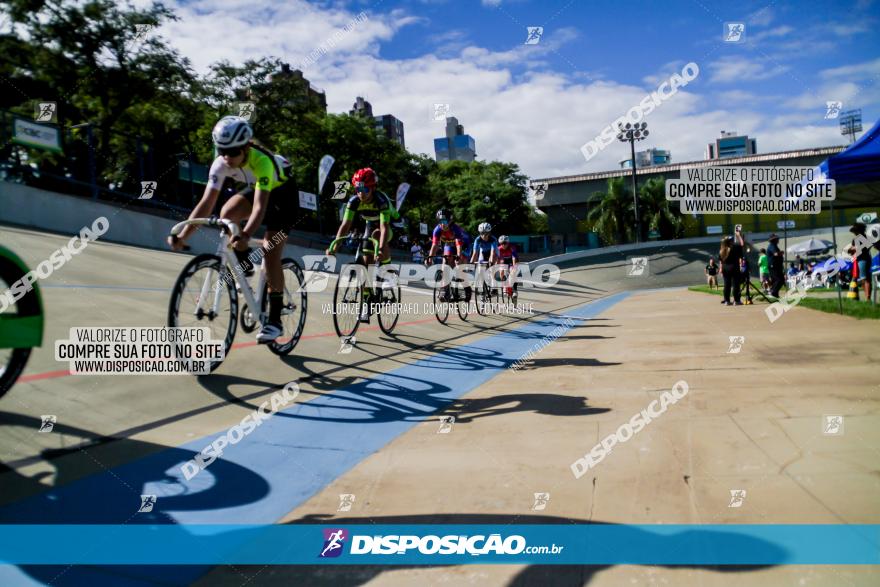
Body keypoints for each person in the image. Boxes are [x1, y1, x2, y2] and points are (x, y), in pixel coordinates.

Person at [168, 115, 297, 343]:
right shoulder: (221, 162)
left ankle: (275, 321)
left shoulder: (262, 161)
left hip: (283, 196)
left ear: (246, 147)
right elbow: (206, 204)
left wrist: (246, 235)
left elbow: (259, 207)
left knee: (270, 252)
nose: (227, 158)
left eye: (233, 152)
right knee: (227, 214)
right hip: (256, 188)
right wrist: (183, 235)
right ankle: (243, 264)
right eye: (221, 151)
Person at [326, 167, 399, 322]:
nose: (361, 192)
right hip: (370, 224)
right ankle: (367, 302)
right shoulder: (354, 201)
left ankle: (389, 275)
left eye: (365, 189)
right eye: (358, 188)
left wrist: (379, 249)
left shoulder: (381, 200)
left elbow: (384, 227)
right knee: (366, 264)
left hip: (388, 225)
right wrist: (335, 247)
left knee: (377, 235)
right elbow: (345, 225)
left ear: (372, 188)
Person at [719, 228, 744, 305]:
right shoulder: (735, 247)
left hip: (725, 268)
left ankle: (727, 301)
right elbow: (742, 245)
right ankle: (736, 300)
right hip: (734, 267)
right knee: (736, 284)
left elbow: (720, 260)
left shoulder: (722, 249)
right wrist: (739, 236)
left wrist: (720, 268)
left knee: (727, 284)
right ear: (730, 241)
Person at [849, 222, 873, 300]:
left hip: (863, 259)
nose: (854, 233)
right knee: (864, 279)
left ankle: (868, 297)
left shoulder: (863, 237)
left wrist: (854, 249)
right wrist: (852, 250)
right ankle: (867, 296)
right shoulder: (858, 238)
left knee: (865, 279)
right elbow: (854, 249)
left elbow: (861, 248)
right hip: (861, 259)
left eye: (855, 231)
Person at [496, 235, 519, 303]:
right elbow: (497, 259)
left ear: (508, 243)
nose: (504, 245)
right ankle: (504, 286)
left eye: (505, 243)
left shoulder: (511, 247)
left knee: (513, 273)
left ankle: (514, 290)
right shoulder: (499, 249)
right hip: (504, 260)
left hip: (512, 260)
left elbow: (514, 258)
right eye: (502, 243)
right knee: (501, 271)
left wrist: (514, 267)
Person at [766, 233, 785, 298]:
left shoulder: (774, 246)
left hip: (776, 266)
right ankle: (773, 292)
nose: (778, 239)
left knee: (777, 280)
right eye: (777, 239)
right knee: (779, 280)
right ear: (774, 240)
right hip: (773, 266)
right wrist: (781, 252)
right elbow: (776, 254)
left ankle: (775, 294)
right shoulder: (772, 246)